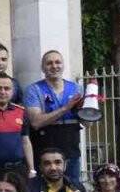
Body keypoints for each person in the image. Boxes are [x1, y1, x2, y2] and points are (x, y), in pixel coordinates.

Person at [24, 50, 86, 183]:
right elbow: (36, 122)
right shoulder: (34, 90)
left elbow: (87, 123)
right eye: (49, 63)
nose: (54, 66)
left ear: (63, 65)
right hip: (45, 151)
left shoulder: (77, 89)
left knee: (72, 189)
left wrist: (89, 110)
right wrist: (66, 108)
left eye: (58, 62)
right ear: (43, 67)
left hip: (71, 151)